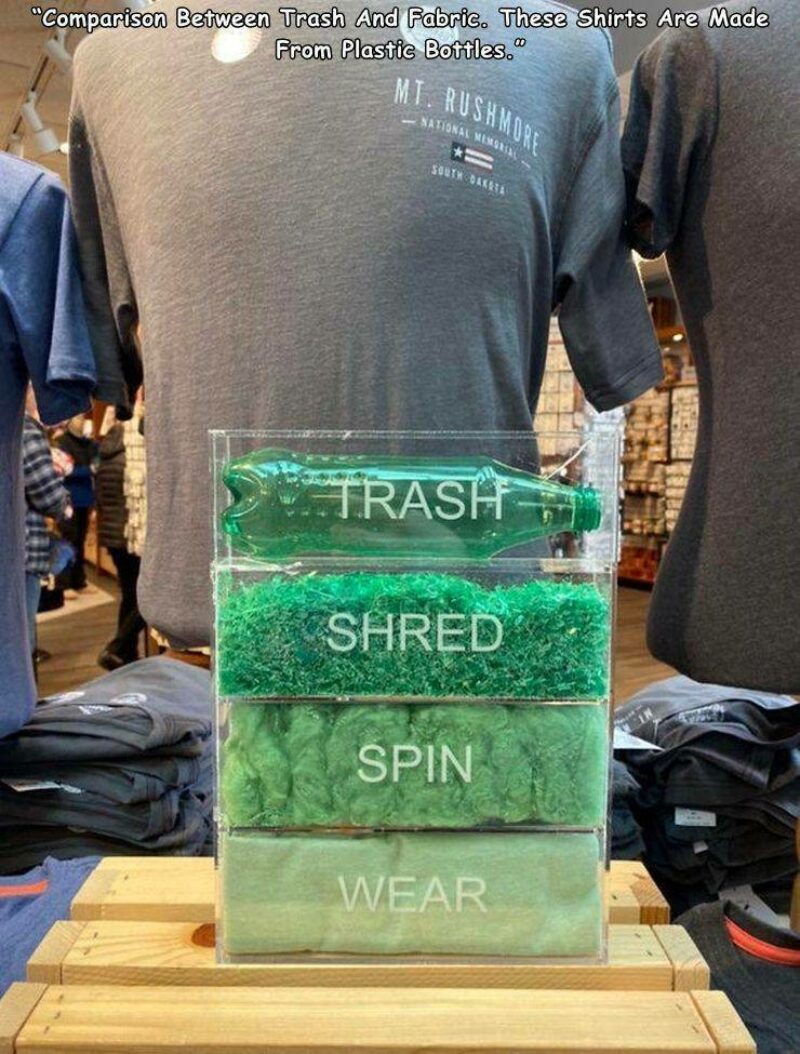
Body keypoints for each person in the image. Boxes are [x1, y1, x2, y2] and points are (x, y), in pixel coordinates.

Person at [95, 420, 146, 669]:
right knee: (144, 595)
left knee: (129, 594)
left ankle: (126, 653)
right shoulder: (132, 461)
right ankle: (116, 647)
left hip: (112, 536)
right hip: (131, 535)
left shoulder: (105, 459)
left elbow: (101, 499)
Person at [22, 412, 72, 663]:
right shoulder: (26, 431)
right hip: (22, 552)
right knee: (21, 639)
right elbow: (49, 497)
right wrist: (64, 503)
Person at [54, 415, 97, 591]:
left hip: (84, 500)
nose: (81, 421)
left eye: (82, 418)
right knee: (68, 539)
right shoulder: (62, 442)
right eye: (78, 418)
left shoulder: (88, 443)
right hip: (68, 500)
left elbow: (98, 458)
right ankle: (63, 584)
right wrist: (89, 469)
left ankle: (79, 581)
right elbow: (66, 470)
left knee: (79, 540)